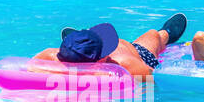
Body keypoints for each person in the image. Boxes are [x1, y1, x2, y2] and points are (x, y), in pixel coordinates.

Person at [32, 14, 187, 78]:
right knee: (149, 36)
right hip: (130, 54)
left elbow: (157, 77)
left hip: (138, 56)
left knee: (155, 37)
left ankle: (165, 34)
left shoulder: (49, 56)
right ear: (101, 58)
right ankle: (163, 33)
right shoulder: (125, 66)